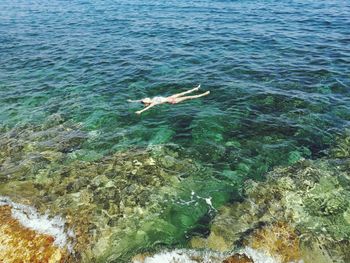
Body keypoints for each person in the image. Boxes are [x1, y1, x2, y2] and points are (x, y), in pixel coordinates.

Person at [128, 84, 210, 114]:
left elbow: (140, 100)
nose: (145, 98)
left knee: (184, 92)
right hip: (172, 101)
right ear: (147, 102)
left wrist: (132, 101)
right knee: (188, 97)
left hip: (170, 97)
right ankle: (204, 94)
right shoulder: (153, 103)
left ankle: (196, 89)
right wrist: (140, 111)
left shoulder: (150, 100)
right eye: (145, 100)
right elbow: (148, 108)